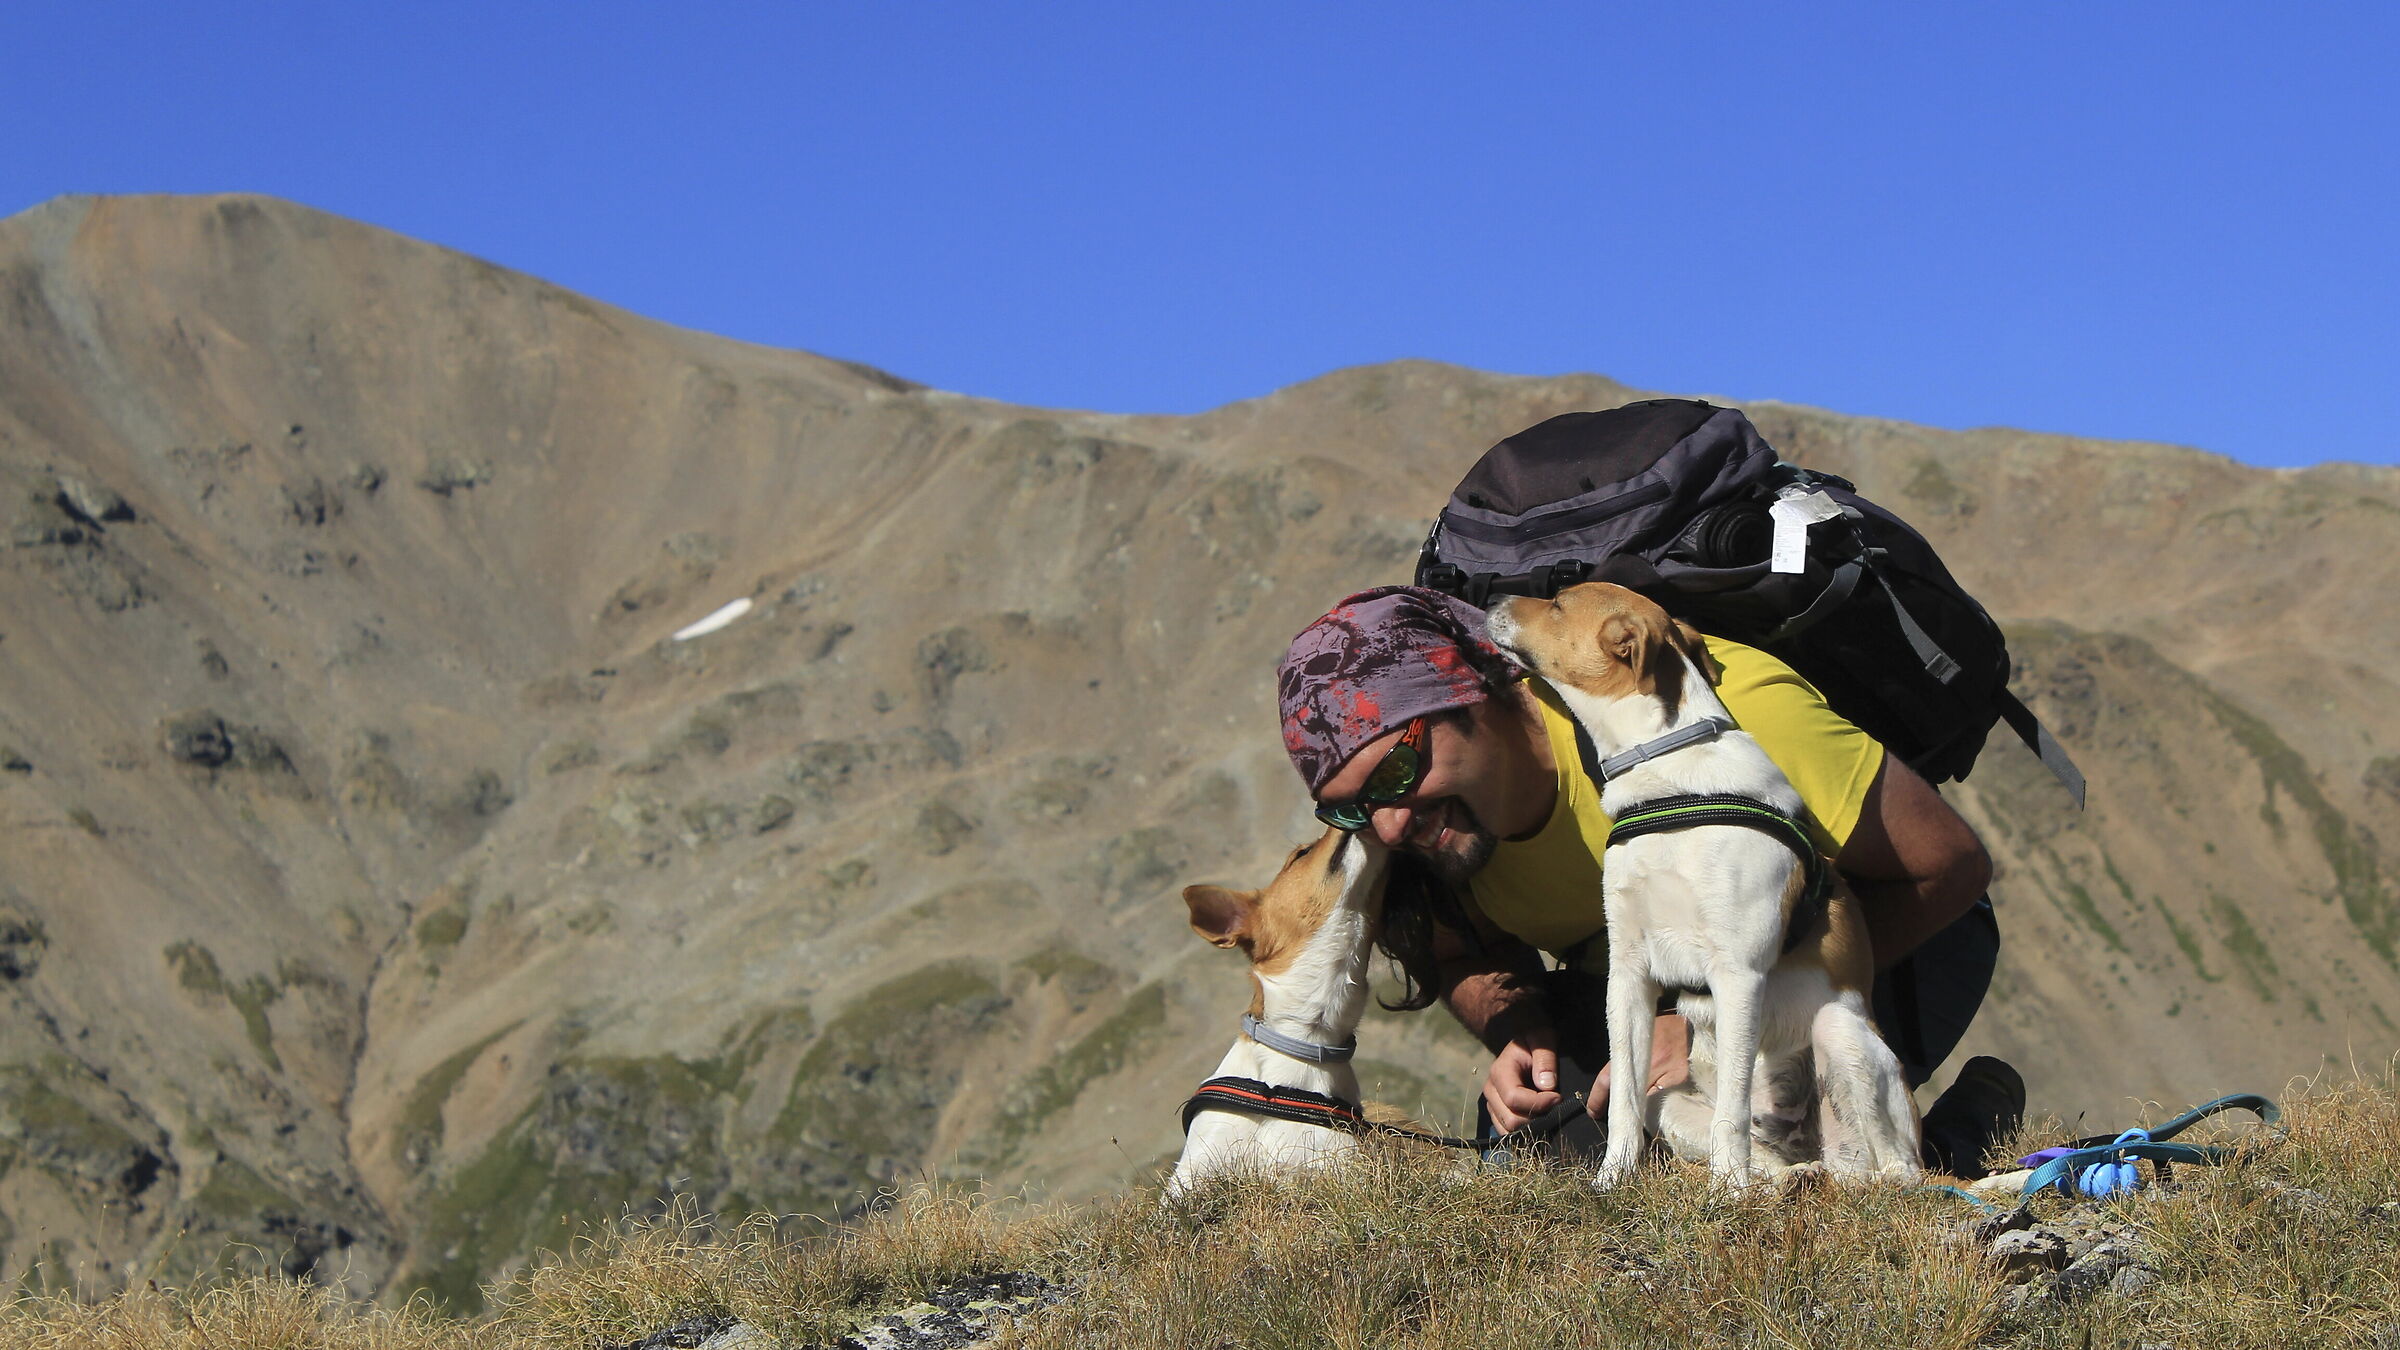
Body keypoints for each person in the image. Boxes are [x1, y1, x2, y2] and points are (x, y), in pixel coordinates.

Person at [1278, 584, 2024, 1175]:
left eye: (1397, 771)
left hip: (1888, 934)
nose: (1390, 826)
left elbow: (1949, 864)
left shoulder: (1718, 713)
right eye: (1352, 808)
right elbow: (1456, 953)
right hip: (1670, 987)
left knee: (1833, 1155)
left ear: (1470, 690)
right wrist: (1516, 1027)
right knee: (1557, 1153)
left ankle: (1959, 1144)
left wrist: (1701, 1020)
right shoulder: (1440, 832)